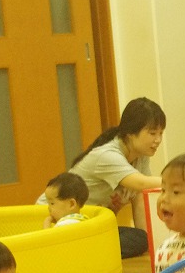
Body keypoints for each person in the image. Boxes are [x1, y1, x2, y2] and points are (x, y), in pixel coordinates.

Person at [56, 97, 166, 257]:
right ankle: (76, 252)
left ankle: (82, 252)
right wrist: (180, 183)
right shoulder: (107, 155)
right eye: (152, 133)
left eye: (161, 133)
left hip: (92, 226)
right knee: (125, 241)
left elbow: (140, 198)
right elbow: (141, 182)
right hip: (63, 224)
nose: (158, 140)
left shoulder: (140, 156)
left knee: (139, 239)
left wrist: (147, 244)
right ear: (130, 132)